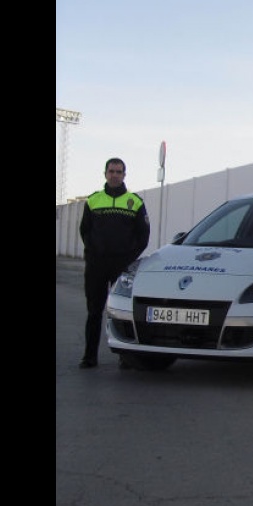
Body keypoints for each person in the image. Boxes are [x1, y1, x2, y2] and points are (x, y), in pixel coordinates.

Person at [78, 157, 150, 368]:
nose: (115, 175)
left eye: (119, 172)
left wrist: (128, 258)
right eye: (111, 171)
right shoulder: (93, 200)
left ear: (124, 175)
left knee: (122, 312)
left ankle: (125, 357)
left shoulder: (134, 202)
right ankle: (89, 356)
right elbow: (85, 231)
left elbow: (143, 235)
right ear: (105, 174)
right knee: (94, 312)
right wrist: (93, 253)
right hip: (96, 265)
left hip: (121, 266)